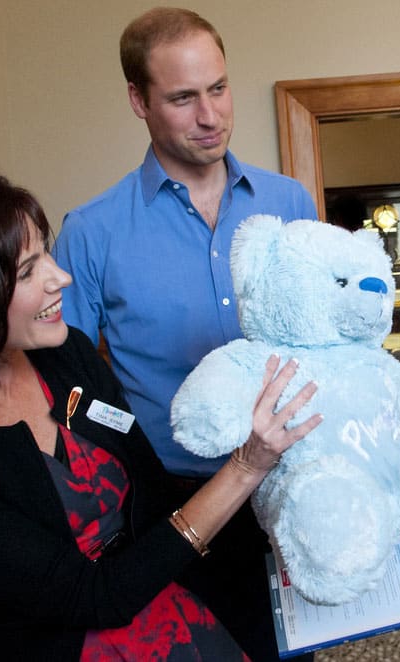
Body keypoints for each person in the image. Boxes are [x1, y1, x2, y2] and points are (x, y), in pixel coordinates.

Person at [0, 170, 321, 660]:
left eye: (44, 253)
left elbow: (151, 497)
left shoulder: (67, 355)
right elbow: (93, 597)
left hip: (166, 605)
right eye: (27, 271)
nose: (60, 277)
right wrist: (245, 466)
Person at [50, 8, 318, 661]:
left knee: (297, 651)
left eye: (219, 89)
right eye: (182, 98)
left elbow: (323, 337)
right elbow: (68, 384)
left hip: (295, 479)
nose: (211, 115)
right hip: (179, 503)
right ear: (138, 101)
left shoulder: (289, 203)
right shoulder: (91, 231)